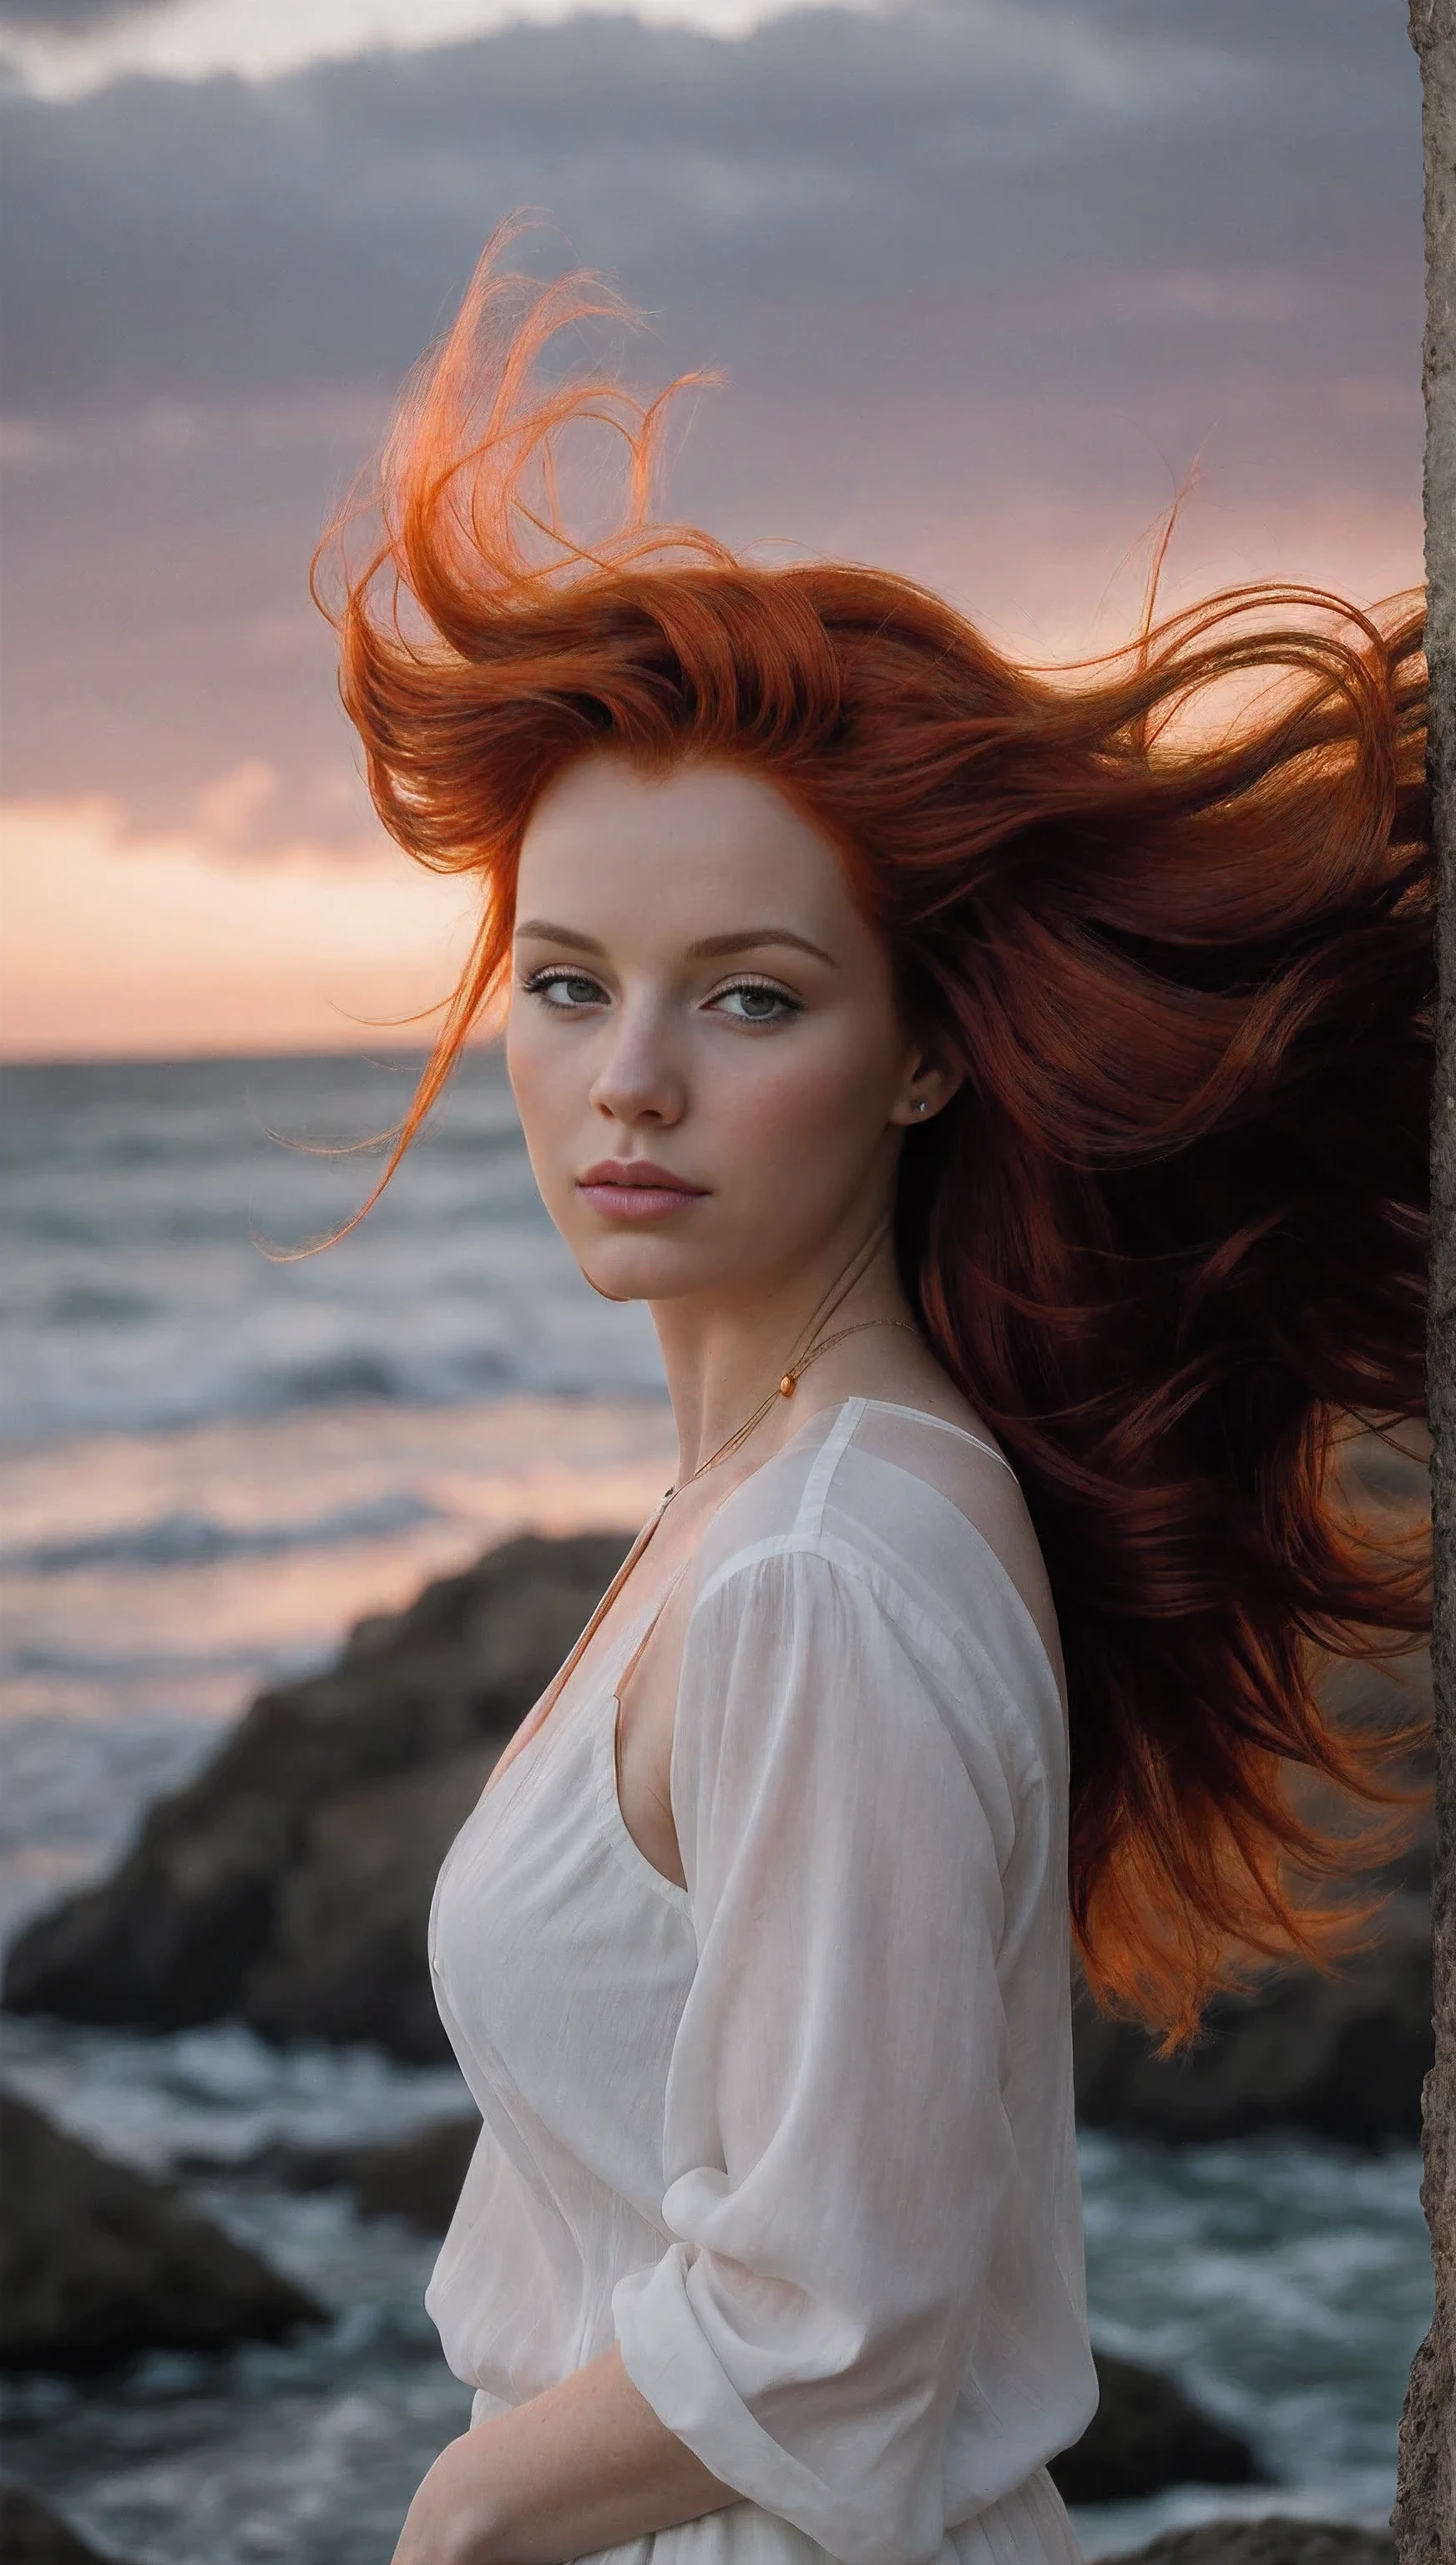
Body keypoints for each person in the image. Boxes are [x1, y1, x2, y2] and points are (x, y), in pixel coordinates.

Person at [317, 230, 1430, 2565]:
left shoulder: (823, 1562)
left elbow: (837, 2313)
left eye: (747, 999)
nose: (627, 1083)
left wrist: (462, 2513)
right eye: (564, 980)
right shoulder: (789, 1503)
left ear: (925, 1050)